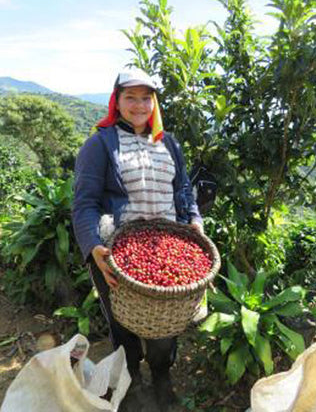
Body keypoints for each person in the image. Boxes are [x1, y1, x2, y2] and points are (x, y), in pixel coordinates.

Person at [72, 68, 203, 411]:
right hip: (118, 252)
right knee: (123, 328)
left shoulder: (168, 143)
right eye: (131, 97)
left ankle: (162, 378)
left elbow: (184, 190)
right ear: (117, 101)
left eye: (146, 97)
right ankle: (130, 386)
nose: (139, 105)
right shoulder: (100, 143)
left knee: (165, 329)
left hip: (168, 248)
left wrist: (194, 220)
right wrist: (94, 248)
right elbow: (84, 203)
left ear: (154, 102)